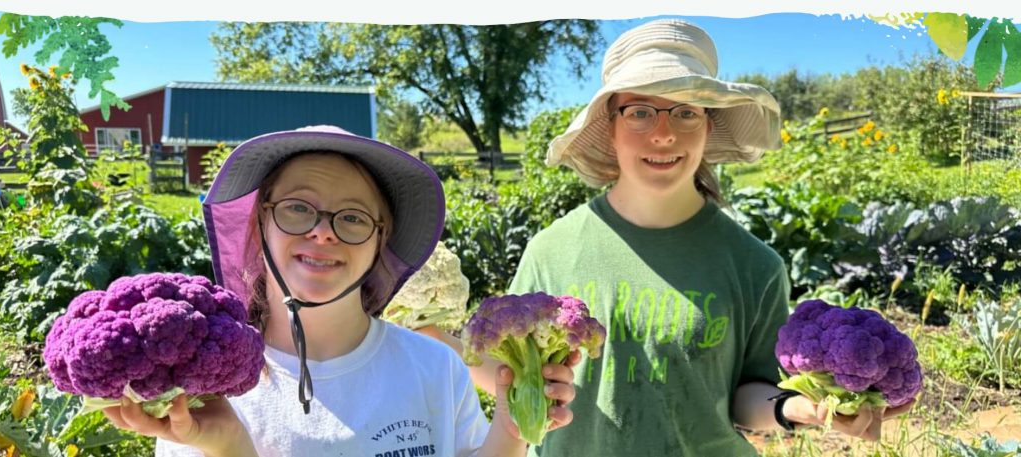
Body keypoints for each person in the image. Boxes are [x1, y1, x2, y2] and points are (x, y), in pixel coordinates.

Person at [422, 19, 915, 456]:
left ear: (707, 126)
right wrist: (433, 336)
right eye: (640, 111)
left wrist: (797, 408)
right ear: (610, 127)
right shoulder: (551, 250)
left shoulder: (755, 265)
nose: (664, 133)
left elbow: (749, 394)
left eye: (685, 112)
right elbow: (506, 371)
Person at [102, 125, 577, 457]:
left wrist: (513, 426)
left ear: (380, 239)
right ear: (259, 222)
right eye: (297, 208)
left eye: (352, 217)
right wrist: (227, 446)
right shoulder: (206, 392)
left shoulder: (435, 367)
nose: (323, 232)